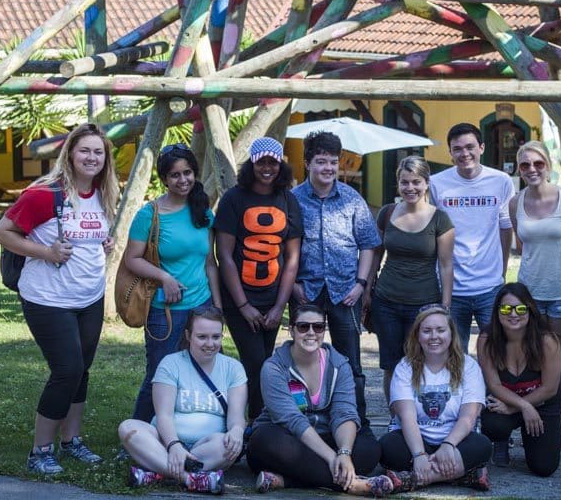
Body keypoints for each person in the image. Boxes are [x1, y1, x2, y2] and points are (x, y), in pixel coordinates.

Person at [0, 123, 119, 475]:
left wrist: (104, 243)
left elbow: (90, 235)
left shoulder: (104, 193)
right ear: (71, 154)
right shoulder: (45, 194)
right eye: (85, 151)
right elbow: (1, 233)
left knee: (82, 372)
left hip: (89, 297)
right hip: (48, 299)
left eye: (99, 152)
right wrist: (46, 252)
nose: (92, 157)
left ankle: (71, 442)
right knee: (67, 370)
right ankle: (40, 451)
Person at [246, 305, 393, 496]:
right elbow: (292, 420)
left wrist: (344, 453)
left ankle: (287, 481)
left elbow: (344, 413)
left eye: (318, 327)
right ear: (291, 330)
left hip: (328, 435)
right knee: (262, 441)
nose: (311, 333)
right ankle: (351, 484)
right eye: (303, 326)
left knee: (370, 449)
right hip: (287, 437)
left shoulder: (339, 365)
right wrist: (333, 457)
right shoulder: (274, 367)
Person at [124, 143, 222, 424]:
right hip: (164, 309)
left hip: (202, 306)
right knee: (161, 373)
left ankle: (199, 429)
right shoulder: (150, 214)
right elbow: (132, 259)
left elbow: (209, 263)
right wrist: (164, 277)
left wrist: (217, 305)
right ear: (164, 179)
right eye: (175, 175)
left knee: (206, 370)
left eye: (188, 172)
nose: (183, 180)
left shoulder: (203, 211)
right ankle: (138, 432)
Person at [291, 131, 379, 433]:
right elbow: (281, 247)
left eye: (333, 162)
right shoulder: (293, 200)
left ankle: (359, 423)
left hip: (346, 292)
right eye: (320, 161)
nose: (328, 168)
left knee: (350, 363)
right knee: (303, 357)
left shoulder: (352, 198)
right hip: (307, 292)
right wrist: (292, 286)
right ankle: (304, 421)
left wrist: (361, 284)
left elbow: (368, 244)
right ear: (307, 163)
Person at [215, 136, 302, 420]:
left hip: (273, 299)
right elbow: (224, 256)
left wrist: (279, 307)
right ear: (251, 164)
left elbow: (292, 258)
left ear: (281, 165)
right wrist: (242, 306)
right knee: (255, 363)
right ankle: (256, 424)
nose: (267, 168)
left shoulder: (289, 200)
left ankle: (259, 423)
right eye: (261, 162)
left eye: (273, 162)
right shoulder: (233, 199)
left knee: (264, 363)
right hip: (240, 300)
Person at [118, 306, 247, 494]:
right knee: (128, 428)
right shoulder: (171, 364)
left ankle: (158, 474)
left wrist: (236, 431)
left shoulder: (233, 368)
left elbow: (236, 417)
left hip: (207, 447)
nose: (210, 343)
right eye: (202, 337)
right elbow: (164, 415)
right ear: (188, 335)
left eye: (216, 337)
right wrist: (174, 445)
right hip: (164, 443)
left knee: (227, 445)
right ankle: (190, 478)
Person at [508, 140, 561, 450]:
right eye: (525, 165)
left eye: (538, 163)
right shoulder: (515, 203)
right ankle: (534, 421)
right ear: (519, 169)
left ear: (548, 165)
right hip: (529, 295)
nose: (532, 170)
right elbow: (522, 246)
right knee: (531, 361)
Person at [368, 155, 454, 404]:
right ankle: (396, 419)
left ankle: (421, 418)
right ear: (398, 184)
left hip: (424, 305)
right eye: (404, 182)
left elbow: (446, 265)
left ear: (426, 183)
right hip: (386, 301)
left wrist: (444, 306)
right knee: (391, 364)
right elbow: (375, 254)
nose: (410, 188)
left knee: (419, 361)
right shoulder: (387, 213)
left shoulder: (440, 219)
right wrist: (367, 292)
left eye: (416, 182)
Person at [379, 305, 492, 493]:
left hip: (456, 441)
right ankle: (463, 475)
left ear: (451, 334)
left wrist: (448, 445)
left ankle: (416, 479)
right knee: (387, 447)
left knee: (482, 447)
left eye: (440, 330)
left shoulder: (469, 366)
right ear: (417, 335)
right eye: (427, 331)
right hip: (416, 439)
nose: (434, 336)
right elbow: (407, 418)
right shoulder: (405, 367)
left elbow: (468, 417)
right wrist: (419, 454)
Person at [429, 123, 515, 353]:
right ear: (450, 152)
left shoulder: (501, 181)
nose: (464, 153)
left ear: (482, 148)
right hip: (451, 288)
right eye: (457, 149)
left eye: (470, 147)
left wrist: (502, 270)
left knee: (496, 351)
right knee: (454, 353)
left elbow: (505, 228)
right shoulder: (437, 184)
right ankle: (460, 391)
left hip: (489, 286)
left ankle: (491, 391)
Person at [478, 282, 561, 477]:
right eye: (506, 308)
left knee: (544, 467)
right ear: (497, 311)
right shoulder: (486, 339)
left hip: (542, 404)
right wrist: (523, 407)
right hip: (505, 401)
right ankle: (502, 441)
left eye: (521, 308)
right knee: (493, 426)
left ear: (530, 310)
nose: (513, 314)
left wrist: (517, 407)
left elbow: (550, 388)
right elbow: (494, 384)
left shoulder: (547, 340)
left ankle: (530, 435)